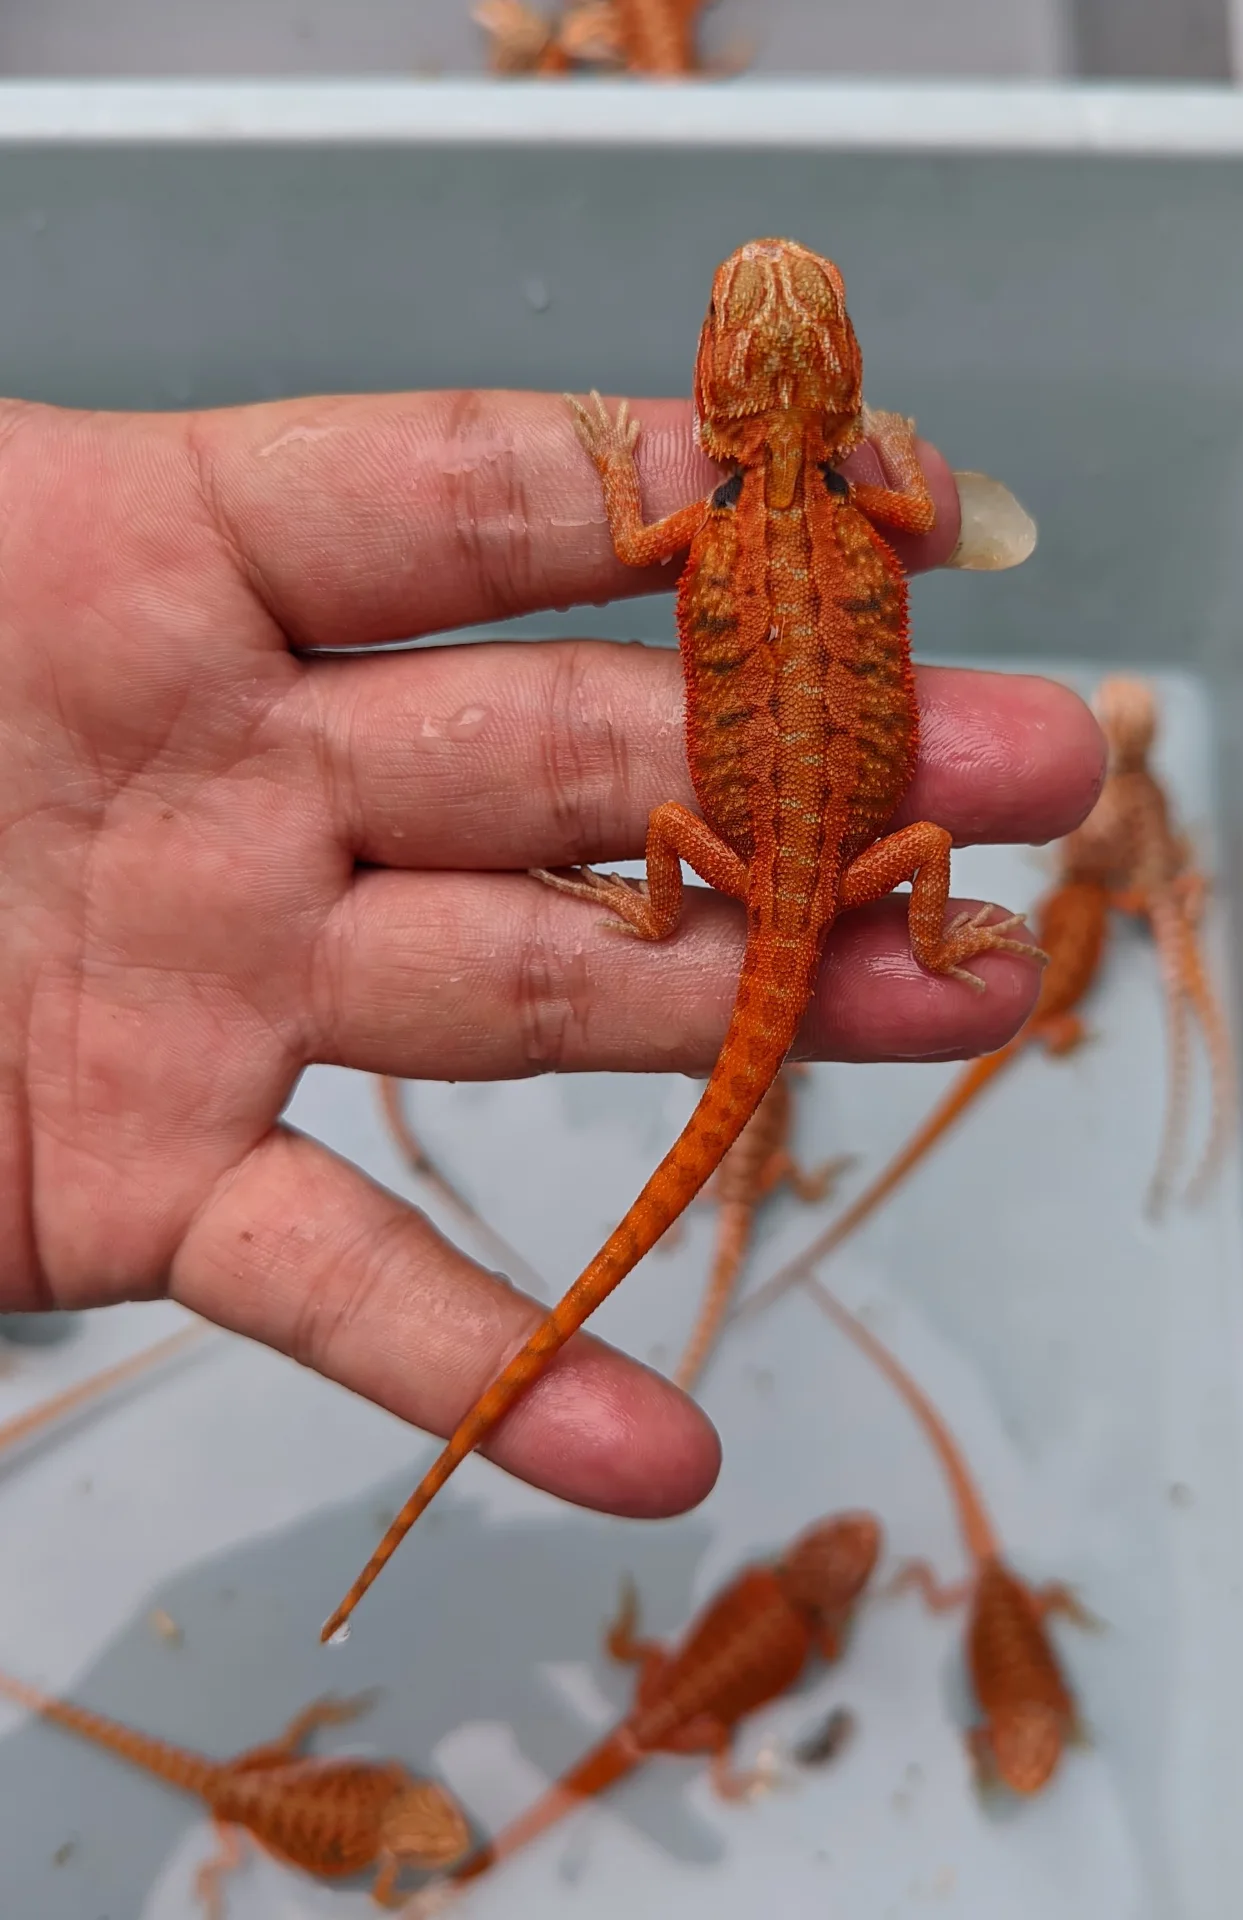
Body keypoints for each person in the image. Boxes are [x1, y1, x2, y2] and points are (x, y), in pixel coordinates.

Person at [0, 387, 1104, 1519]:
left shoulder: (746, 520)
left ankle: (660, 918)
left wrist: (625, 468)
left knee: (738, 835)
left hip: (743, 857)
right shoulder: (875, 502)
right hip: (831, 862)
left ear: (723, 403)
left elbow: (640, 541)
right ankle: (757, 923)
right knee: (914, 841)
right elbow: (909, 523)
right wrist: (929, 928)